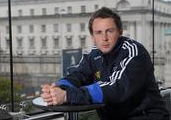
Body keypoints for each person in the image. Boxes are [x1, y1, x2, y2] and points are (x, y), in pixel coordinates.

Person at [41, 7, 169, 120]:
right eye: (98, 32)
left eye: (109, 31)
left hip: (146, 116)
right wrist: (58, 88)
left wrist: (67, 95)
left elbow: (116, 88)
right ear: (92, 36)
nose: (104, 38)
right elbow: (77, 75)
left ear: (120, 32)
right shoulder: (94, 54)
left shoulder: (134, 52)